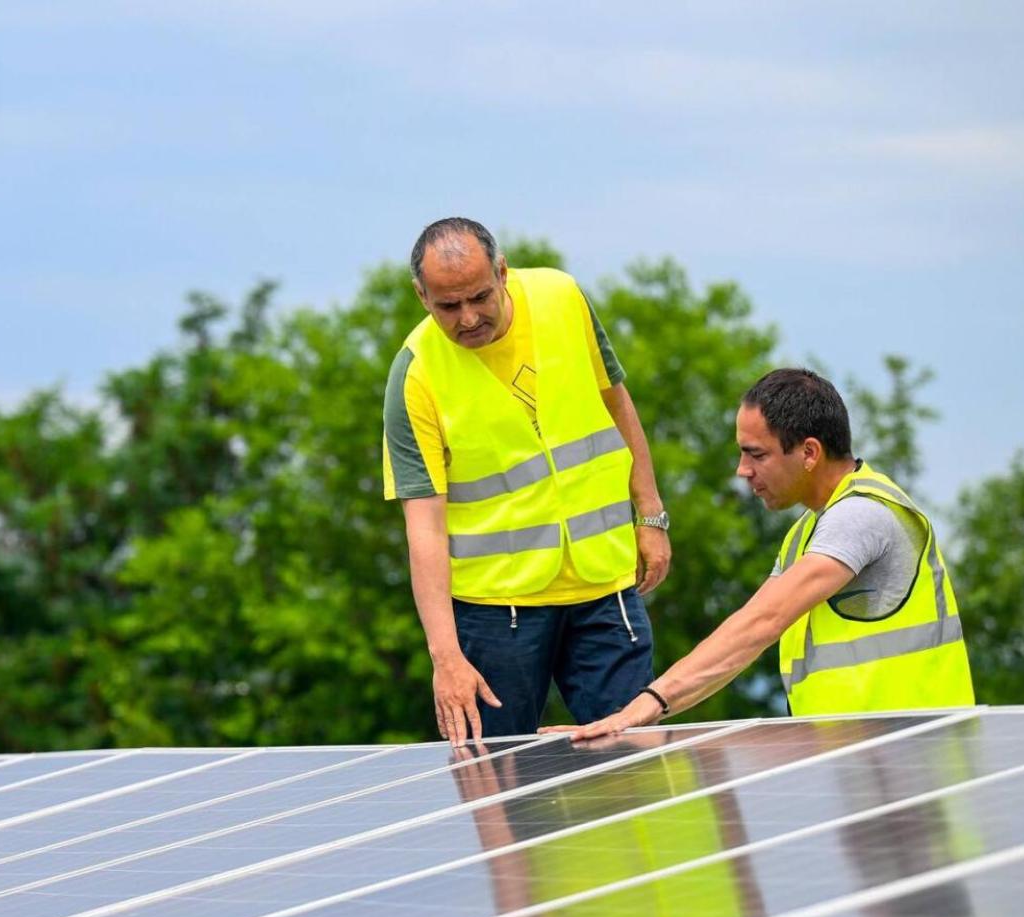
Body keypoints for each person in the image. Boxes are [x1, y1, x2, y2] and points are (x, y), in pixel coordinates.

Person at [544, 368, 974, 739]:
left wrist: (647, 704)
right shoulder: (806, 533)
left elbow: (760, 623)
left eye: (757, 454)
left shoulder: (861, 516)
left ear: (809, 452)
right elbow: (738, 648)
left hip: (915, 767)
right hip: (869, 768)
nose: (742, 470)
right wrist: (638, 715)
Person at [383, 217, 671, 745]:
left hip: (604, 584)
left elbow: (616, 401)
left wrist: (650, 514)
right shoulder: (415, 374)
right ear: (421, 296)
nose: (468, 318)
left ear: (502, 272)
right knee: (496, 775)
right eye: (449, 306)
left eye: (479, 297)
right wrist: (446, 658)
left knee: (634, 759)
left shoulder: (562, 297)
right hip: (497, 613)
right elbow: (423, 528)